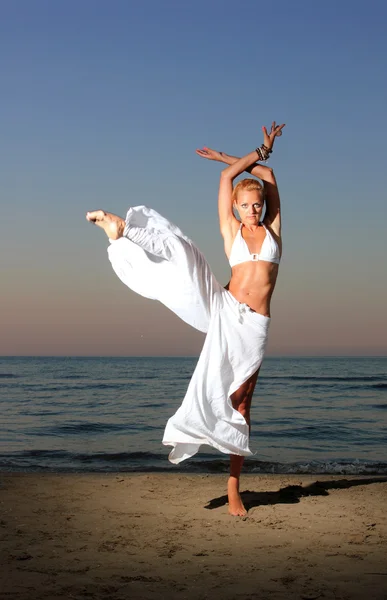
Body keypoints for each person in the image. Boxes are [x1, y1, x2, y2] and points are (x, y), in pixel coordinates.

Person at [86, 122, 285, 516]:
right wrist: (234, 160)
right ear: (235, 207)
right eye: (245, 204)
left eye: (257, 204)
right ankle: (122, 232)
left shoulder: (274, 229)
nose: (253, 209)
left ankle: (233, 488)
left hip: (255, 326)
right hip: (224, 309)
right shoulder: (232, 231)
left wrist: (261, 152)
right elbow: (230, 177)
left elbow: (267, 175)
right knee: (183, 252)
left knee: (241, 405)